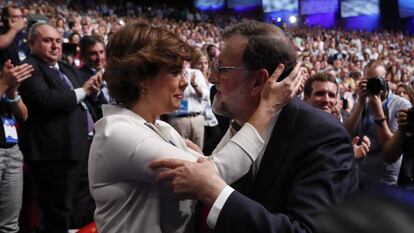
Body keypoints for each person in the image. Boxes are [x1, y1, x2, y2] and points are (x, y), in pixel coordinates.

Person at [88, 19, 306, 233]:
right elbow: (214, 175)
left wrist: (211, 155)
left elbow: (207, 169)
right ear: (140, 78)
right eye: (175, 72)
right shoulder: (118, 134)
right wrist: (267, 107)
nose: (184, 81)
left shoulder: (162, 129)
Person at [150, 20, 358, 233]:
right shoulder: (234, 129)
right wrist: (207, 164)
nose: (212, 78)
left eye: (222, 69)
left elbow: (305, 230)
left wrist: (214, 190)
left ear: (258, 82)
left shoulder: (322, 136)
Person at [18, 22, 102, 233]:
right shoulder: (29, 67)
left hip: (81, 149)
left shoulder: (64, 67)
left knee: (81, 210)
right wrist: (83, 90)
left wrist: (93, 89)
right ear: (32, 43)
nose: (55, 46)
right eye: (48, 41)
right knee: (58, 214)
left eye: (57, 41)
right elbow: (45, 100)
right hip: (55, 156)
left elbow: (88, 95)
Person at [344, 60, 412, 187]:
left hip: (385, 179)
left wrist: (378, 109)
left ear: (386, 80)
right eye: (368, 81)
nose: (372, 85)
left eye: (377, 80)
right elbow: (347, 134)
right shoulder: (362, 101)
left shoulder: (401, 104)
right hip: (358, 175)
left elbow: (390, 151)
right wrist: (360, 103)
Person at [303, 72, 371, 159]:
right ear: (306, 99)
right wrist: (349, 155)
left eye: (331, 95)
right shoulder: (296, 126)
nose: (326, 100)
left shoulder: (339, 125)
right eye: (319, 94)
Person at [0, 60, 32, 233]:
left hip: (12, 150)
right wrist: (4, 83)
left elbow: (24, 115)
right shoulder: (3, 80)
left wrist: (12, 90)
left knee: (10, 225)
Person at [79, 35, 110, 120]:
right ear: (83, 56)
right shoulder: (79, 77)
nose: (99, 58)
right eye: (93, 53)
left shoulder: (113, 71)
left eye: (101, 52)